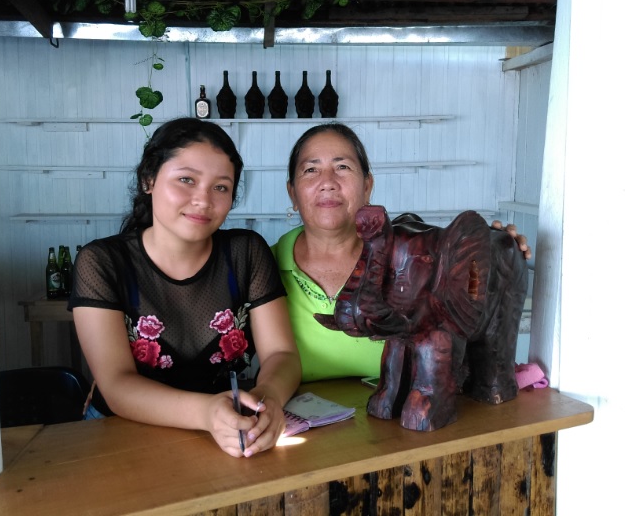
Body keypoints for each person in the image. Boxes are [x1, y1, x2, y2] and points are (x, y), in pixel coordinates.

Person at [69, 118, 301, 458]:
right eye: (186, 180)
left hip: (223, 437)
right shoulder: (102, 262)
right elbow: (117, 384)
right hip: (121, 435)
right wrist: (206, 412)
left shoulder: (246, 252)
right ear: (148, 179)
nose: (203, 200)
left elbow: (282, 355)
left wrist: (269, 400)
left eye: (220, 187)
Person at [272, 123, 531, 382]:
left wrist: (498, 253)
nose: (327, 182)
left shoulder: (414, 259)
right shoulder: (261, 267)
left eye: (342, 167)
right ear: (292, 193)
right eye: (310, 169)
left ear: (367, 186)